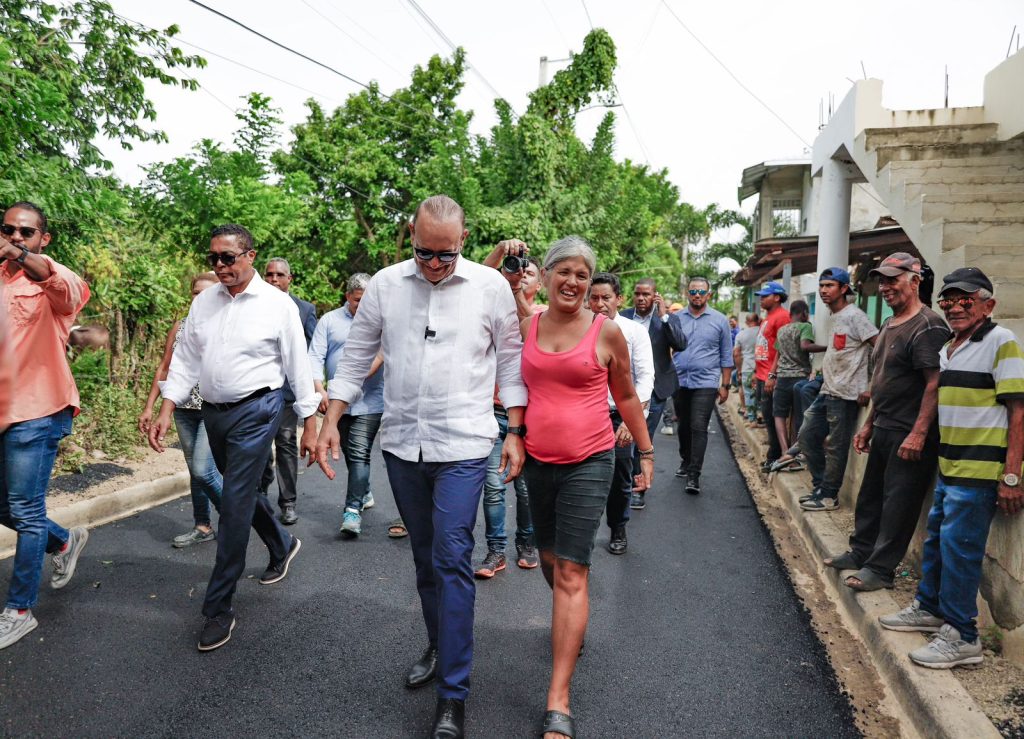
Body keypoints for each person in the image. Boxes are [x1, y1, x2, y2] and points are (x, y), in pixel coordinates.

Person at [314, 196, 526, 739]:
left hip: (464, 445)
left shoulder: (490, 287)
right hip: (403, 444)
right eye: (424, 253)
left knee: (453, 557)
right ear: (411, 237)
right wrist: (329, 419)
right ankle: (439, 642)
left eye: (446, 256)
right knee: (425, 560)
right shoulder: (385, 284)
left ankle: (453, 695)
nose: (434, 265)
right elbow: (357, 357)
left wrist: (517, 430)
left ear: (465, 239)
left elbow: (509, 360)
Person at [148, 224, 318, 652]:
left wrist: (310, 421)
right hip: (213, 412)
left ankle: (218, 607)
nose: (220, 266)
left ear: (250, 256)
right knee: (238, 494)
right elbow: (185, 360)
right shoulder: (203, 303)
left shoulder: (278, 306)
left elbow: (298, 366)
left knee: (235, 503)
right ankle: (282, 542)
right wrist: (167, 409)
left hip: (258, 410)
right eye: (213, 259)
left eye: (228, 257)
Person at [519, 236, 654, 739]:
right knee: (551, 561)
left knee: (573, 570)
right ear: (547, 274)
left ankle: (558, 697)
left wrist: (645, 451)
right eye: (564, 272)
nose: (573, 282)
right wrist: (513, 435)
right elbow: (514, 385)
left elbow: (626, 393)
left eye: (582, 274)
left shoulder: (606, 331)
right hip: (537, 461)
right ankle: (572, 620)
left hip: (590, 460)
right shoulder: (528, 324)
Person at [880, 267, 1024, 668]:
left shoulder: (1002, 342)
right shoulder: (950, 346)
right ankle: (929, 607)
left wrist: (1012, 475)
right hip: (950, 465)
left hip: (979, 472)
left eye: (965, 299)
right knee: (938, 543)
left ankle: (963, 636)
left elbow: (1018, 411)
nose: (954, 306)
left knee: (961, 552)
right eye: (947, 299)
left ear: (988, 305)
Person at [825, 253, 950, 591]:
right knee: (871, 496)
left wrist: (919, 432)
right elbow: (883, 379)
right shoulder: (889, 324)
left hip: (908, 432)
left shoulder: (928, 325)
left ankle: (880, 570)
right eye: (882, 280)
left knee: (899, 504)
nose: (885, 286)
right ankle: (862, 551)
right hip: (884, 426)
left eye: (893, 279)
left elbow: (934, 383)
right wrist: (868, 424)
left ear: (915, 280)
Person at [0, 201, 91, 650]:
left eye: (27, 232)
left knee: (26, 510)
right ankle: (64, 541)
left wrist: (17, 256)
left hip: (37, 410)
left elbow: (70, 294)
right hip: (3, 411)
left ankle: (19, 611)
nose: (17, 236)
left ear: (43, 239)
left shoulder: (56, 278)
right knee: (5, 507)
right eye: (9, 229)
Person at [138, 273, 223, 547]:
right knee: (194, 471)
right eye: (195, 293)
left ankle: (239, 519)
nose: (199, 298)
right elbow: (166, 367)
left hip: (214, 408)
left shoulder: (227, 327)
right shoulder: (181, 326)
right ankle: (203, 525)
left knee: (203, 470)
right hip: (182, 407)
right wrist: (150, 406)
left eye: (206, 293)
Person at [476, 240, 540, 577]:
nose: (521, 275)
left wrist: (512, 290)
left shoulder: (544, 314)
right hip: (492, 411)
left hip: (528, 416)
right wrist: (501, 250)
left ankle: (527, 543)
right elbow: (476, 279)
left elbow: (533, 329)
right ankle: (495, 551)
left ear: (540, 283)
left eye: (528, 272)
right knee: (494, 485)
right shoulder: (492, 305)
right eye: (516, 269)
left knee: (525, 487)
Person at [308, 272, 389, 538]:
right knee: (346, 450)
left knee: (358, 452)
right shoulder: (329, 321)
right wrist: (320, 390)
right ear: (347, 297)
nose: (362, 307)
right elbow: (315, 356)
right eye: (357, 301)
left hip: (371, 400)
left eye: (367, 302)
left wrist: (352, 377)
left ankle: (352, 510)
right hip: (336, 403)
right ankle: (363, 491)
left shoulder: (382, 321)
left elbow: (379, 356)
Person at [798, 268, 879, 512]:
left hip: (846, 394)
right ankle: (820, 486)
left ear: (844, 289)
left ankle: (829, 496)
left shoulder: (855, 316)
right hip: (827, 390)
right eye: (822, 286)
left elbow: (881, 347)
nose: (823, 290)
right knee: (806, 436)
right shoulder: (836, 316)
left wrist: (871, 385)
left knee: (835, 446)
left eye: (830, 285)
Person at [587, 272, 653, 555]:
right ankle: (584, 534)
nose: (600, 304)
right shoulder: (579, 327)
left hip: (619, 416)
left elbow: (646, 377)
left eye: (606, 298)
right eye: (594, 298)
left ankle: (618, 528)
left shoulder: (634, 331)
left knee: (619, 477)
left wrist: (630, 419)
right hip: (586, 414)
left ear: (619, 299)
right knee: (585, 476)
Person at [259, 257, 317, 525]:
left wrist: (316, 391)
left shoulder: (304, 310)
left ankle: (288, 502)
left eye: (280, 275)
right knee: (258, 449)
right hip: (257, 393)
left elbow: (312, 355)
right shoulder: (253, 307)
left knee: (285, 445)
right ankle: (260, 492)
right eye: (269, 274)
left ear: (289, 279)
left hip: (286, 396)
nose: (273, 279)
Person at [620, 278, 686, 508]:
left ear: (655, 296)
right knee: (621, 439)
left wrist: (664, 315)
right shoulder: (623, 317)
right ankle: (621, 483)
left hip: (655, 391)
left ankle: (636, 487)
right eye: (637, 294)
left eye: (646, 294)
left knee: (641, 437)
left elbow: (680, 344)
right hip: (624, 389)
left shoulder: (667, 319)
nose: (640, 298)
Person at [671, 277, 734, 495]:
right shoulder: (676, 318)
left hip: (706, 382)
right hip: (679, 380)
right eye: (693, 291)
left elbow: (727, 354)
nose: (697, 295)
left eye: (701, 292)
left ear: (709, 295)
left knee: (699, 425)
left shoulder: (720, 320)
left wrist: (725, 384)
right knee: (683, 425)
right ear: (687, 294)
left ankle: (694, 474)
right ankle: (686, 459)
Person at [764, 300, 824, 459]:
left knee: (779, 415)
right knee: (799, 415)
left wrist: (772, 375)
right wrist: (828, 346)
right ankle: (797, 451)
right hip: (799, 377)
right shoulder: (806, 326)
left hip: (782, 378)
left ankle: (785, 451)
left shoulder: (782, 330)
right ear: (804, 313)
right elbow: (805, 346)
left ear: (791, 314)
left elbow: (778, 354)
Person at [753, 281, 790, 469]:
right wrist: (756, 372)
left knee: (773, 415)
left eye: (765, 296)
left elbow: (783, 349)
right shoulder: (767, 317)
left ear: (777, 297)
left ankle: (775, 455)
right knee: (767, 415)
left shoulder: (783, 317)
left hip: (771, 376)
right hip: (761, 374)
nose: (761, 299)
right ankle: (773, 453)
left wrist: (772, 374)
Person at [733, 313, 761, 424]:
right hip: (763, 367)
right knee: (762, 393)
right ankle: (761, 414)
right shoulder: (762, 331)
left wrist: (739, 370)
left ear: (746, 322)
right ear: (758, 320)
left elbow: (736, 354)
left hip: (747, 367)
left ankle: (752, 418)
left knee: (749, 392)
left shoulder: (741, 335)